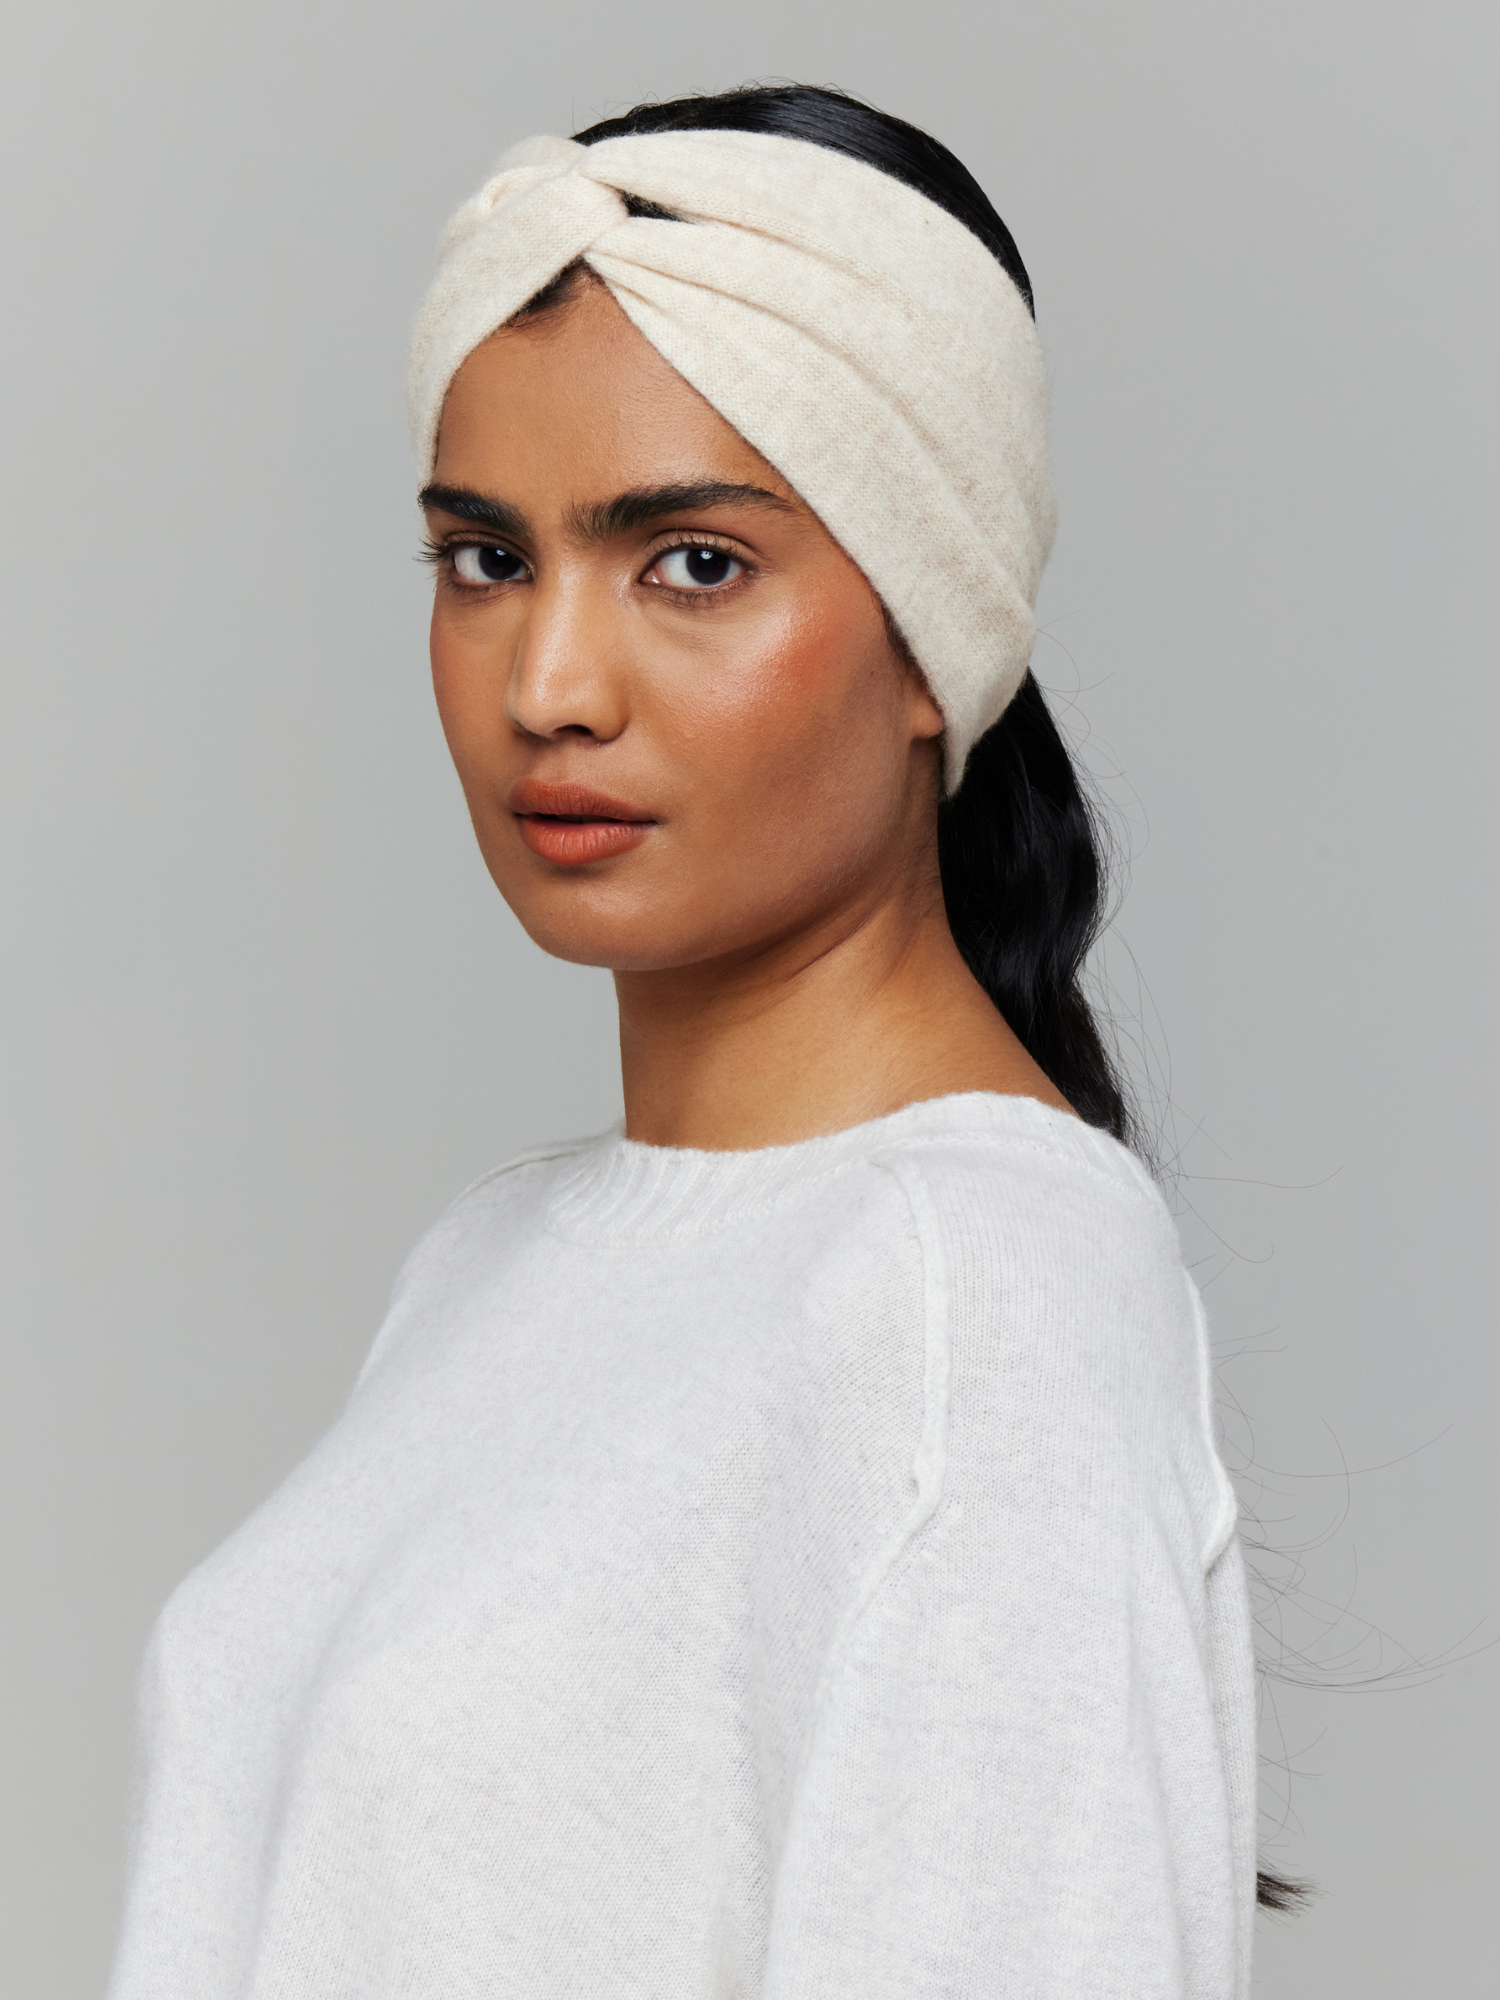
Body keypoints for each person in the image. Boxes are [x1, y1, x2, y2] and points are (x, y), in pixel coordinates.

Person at [108, 84, 1266, 2000]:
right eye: (487, 560)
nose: (549, 686)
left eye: (694, 563)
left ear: (932, 633)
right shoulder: (490, 1259)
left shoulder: (975, 1297)